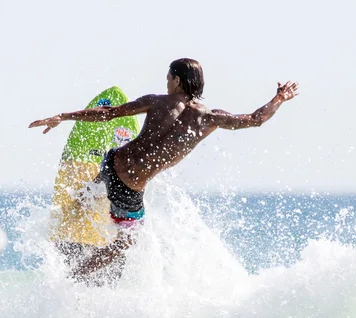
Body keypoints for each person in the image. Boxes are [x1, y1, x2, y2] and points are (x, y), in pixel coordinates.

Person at [29, 58, 299, 281]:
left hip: (113, 164)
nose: (166, 82)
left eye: (168, 77)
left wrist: (63, 116)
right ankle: (76, 277)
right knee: (127, 241)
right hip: (129, 190)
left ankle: (86, 195)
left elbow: (107, 113)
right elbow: (255, 119)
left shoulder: (156, 101)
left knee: (105, 177)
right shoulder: (210, 118)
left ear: (177, 81)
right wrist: (279, 98)